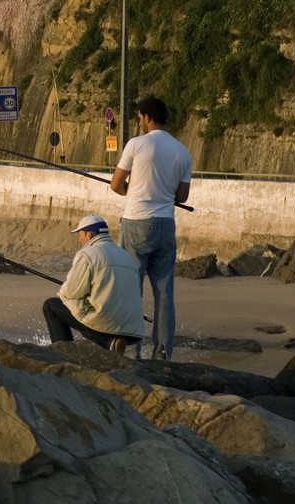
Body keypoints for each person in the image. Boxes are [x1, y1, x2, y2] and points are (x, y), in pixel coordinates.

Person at [111, 95, 191, 360]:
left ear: (146, 117)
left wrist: (129, 190)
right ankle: (163, 351)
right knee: (164, 292)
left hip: (136, 223)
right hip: (165, 225)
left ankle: (132, 349)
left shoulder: (136, 144)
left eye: (140, 117)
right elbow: (181, 197)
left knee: (131, 287)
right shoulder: (182, 151)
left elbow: (116, 184)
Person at [43, 214, 145, 353]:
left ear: (89, 235)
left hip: (106, 324)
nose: (79, 240)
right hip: (133, 329)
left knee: (51, 305)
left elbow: (69, 293)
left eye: (80, 235)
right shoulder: (126, 256)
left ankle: (65, 353)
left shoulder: (87, 254)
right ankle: (111, 344)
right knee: (90, 310)